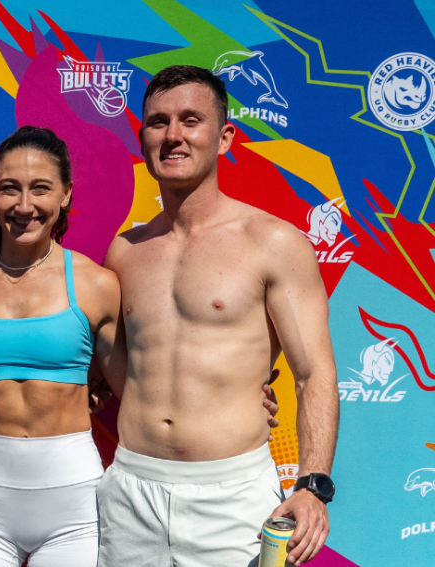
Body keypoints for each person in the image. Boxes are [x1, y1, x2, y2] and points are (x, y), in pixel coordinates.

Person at [95, 65, 338, 567]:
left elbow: (314, 372)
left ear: (225, 137)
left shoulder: (273, 242)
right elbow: (122, 368)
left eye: (191, 120)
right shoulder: (124, 250)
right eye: (158, 122)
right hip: (130, 494)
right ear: (142, 139)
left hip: (233, 499)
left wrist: (312, 485)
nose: (173, 135)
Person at [0, 126, 121, 567]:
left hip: (75, 510)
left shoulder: (96, 285)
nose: (24, 205)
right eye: (10, 189)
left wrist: (243, 396)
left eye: (41, 189)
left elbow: (140, 386)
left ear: (66, 194)